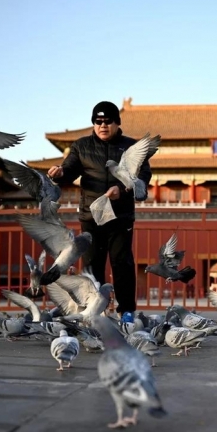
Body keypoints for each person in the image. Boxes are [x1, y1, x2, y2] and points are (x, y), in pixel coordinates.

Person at [47, 101, 152, 317]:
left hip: (120, 215)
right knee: (92, 266)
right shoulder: (81, 146)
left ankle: (126, 312)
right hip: (91, 216)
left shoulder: (131, 147)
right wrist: (59, 175)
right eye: (98, 121)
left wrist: (122, 190)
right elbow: (69, 171)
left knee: (122, 264)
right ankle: (96, 312)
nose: (102, 125)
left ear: (117, 122)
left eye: (107, 121)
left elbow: (143, 176)